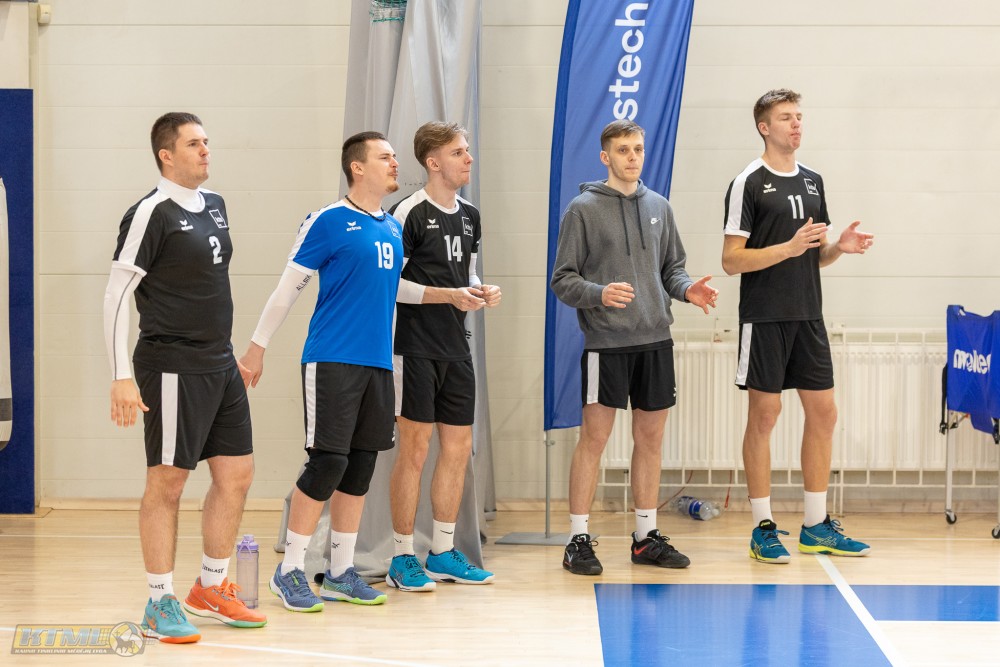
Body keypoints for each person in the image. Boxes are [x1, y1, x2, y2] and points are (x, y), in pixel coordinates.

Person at [104, 112, 267, 643]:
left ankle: (210, 588)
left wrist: (226, 351)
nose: (205, 151)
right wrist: (120, 375)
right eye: (194, 143)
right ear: (166, 154)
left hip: (219, 363)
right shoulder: (150, 212)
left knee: (237, 475)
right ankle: (158, 602)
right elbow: (117, 296)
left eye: (207, 142)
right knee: (168, 483)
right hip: (172, 364)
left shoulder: (215, 204)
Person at [239, 131, 403, 611]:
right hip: (332, 358)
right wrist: (256, 348)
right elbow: (288, 287)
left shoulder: (393, 228)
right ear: (357, 167)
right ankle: (289, 569)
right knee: (328, 462)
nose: (395, 163)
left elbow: (395, 289)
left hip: (378, 363)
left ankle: (340, 573)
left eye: (395, 156)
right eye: (385, 157)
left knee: (360, 467)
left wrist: (454, 296)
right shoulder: (328, 220)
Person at [550, 119, 718, 576]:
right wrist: (599, 293)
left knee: (650, 440)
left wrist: (687, 290)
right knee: (594, 440)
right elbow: (562, 280)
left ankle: (645, 538)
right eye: (623, 150)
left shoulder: (660, 206)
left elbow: (672, 269)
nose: (632, 157)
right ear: (605, 157)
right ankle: (577, 540)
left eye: (638, 149)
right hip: (606, 344)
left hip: (655, 341)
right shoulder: (582, 210)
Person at [722, 89, 874, 564]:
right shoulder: (747, 182)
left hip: (809, 315)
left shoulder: (813, 181)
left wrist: (838, 248)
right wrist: (786, 248)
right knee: (765, 417)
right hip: (764, 317)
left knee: (824, 414)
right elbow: (731, 261)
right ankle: (762, 528)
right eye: (786, 117)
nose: (796, 124)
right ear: (764, 127)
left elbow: (814, 256)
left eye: (799, 116)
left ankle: (815, 524)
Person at [383, 122, 500, 592]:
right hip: (412, 347)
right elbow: (390, 284)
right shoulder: (407, 212)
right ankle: (401, 557)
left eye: (467, 150)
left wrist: (480, 291)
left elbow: (467, 274)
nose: (468, 159)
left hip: (456, 346)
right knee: (414, 450)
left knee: (457, 448)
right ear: (433, 162)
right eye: (458, 152)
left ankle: (443, 552)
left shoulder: (470, 215)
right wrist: (446, 295)